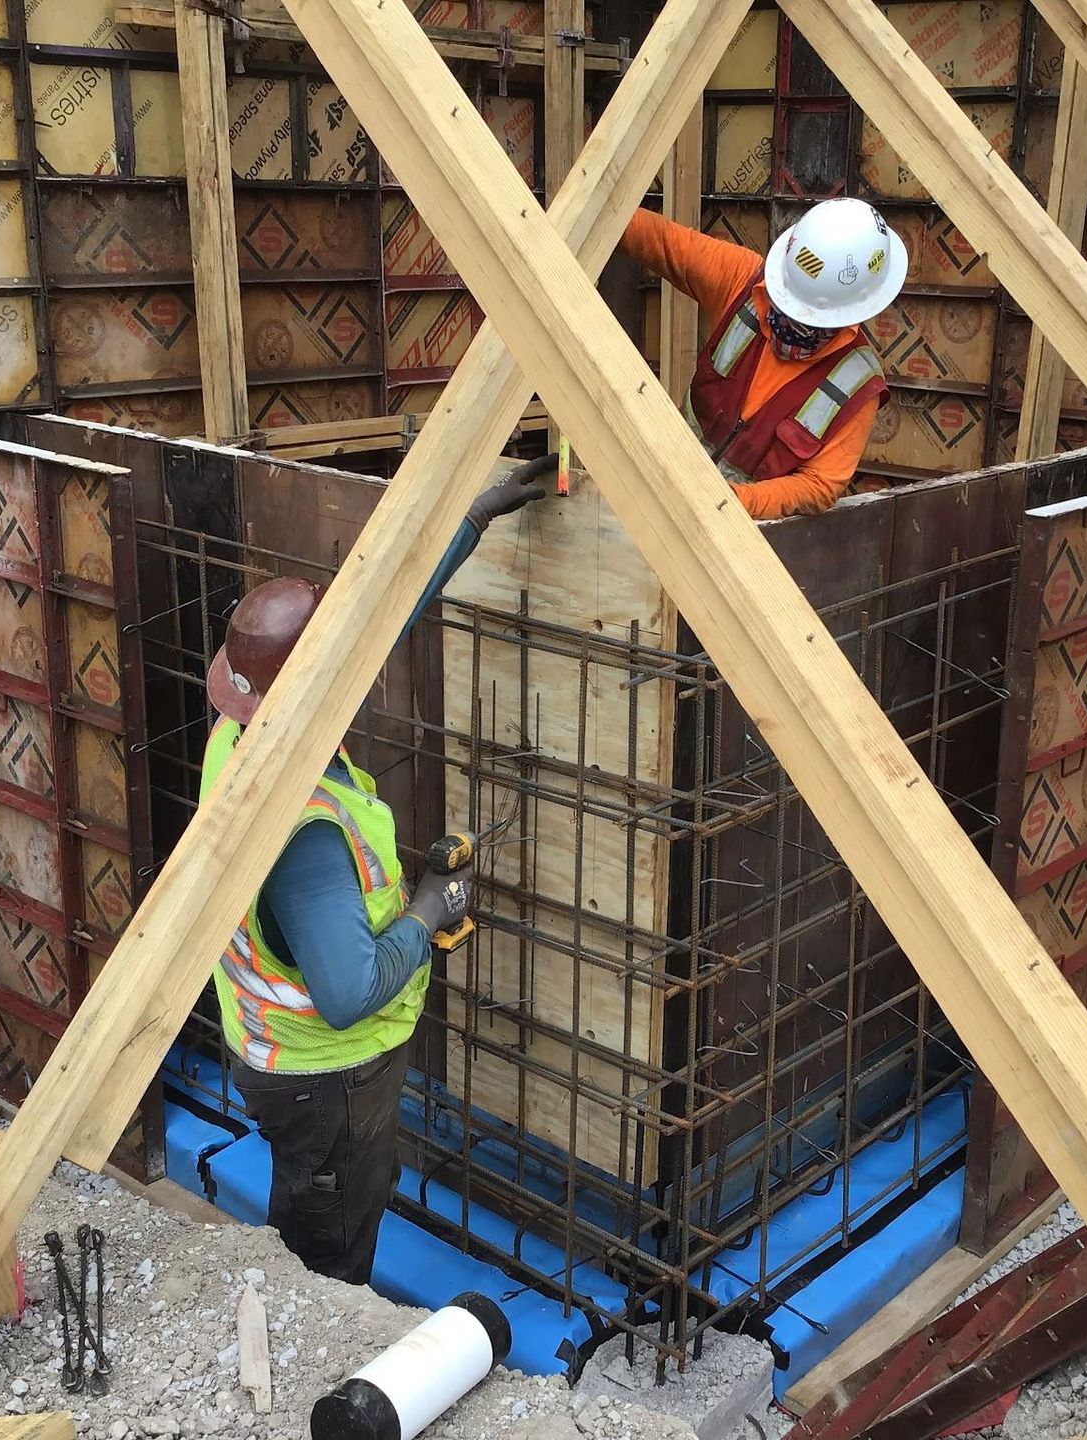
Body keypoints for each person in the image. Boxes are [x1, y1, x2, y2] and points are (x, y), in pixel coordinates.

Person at [199, 456, 554, 1284]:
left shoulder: (237, 733)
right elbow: (350, 990)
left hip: (272, 1052)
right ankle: (317, 1365)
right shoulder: (303, 839)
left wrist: (471, 520)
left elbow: (373, 635)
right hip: (325, 1078)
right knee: (331, 1239)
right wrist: (428, 912)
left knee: (336, 1198)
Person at [622, 196, 907, 519]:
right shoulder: (742, 281)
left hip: (742, 530)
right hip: (662, 477)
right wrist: (604, 213)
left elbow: (818, 485)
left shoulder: (858, 383)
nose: (788, 317)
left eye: (805, 314)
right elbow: (661, 241)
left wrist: (733, 502)